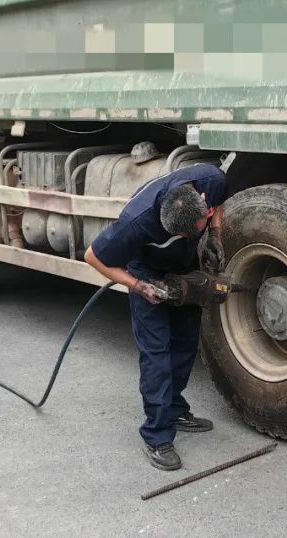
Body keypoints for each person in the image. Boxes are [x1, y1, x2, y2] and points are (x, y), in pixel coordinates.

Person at [84, 161, 228, 471]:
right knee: (157, 354)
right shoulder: (136, 222)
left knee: (186, 343)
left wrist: (215, 235)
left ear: (203, 205)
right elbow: (93, 257)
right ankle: (157, 435)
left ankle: (175, 408)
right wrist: (138, 287)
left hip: (184, 268)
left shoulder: (210, 180)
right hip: (146, 272)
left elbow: (221, 201)